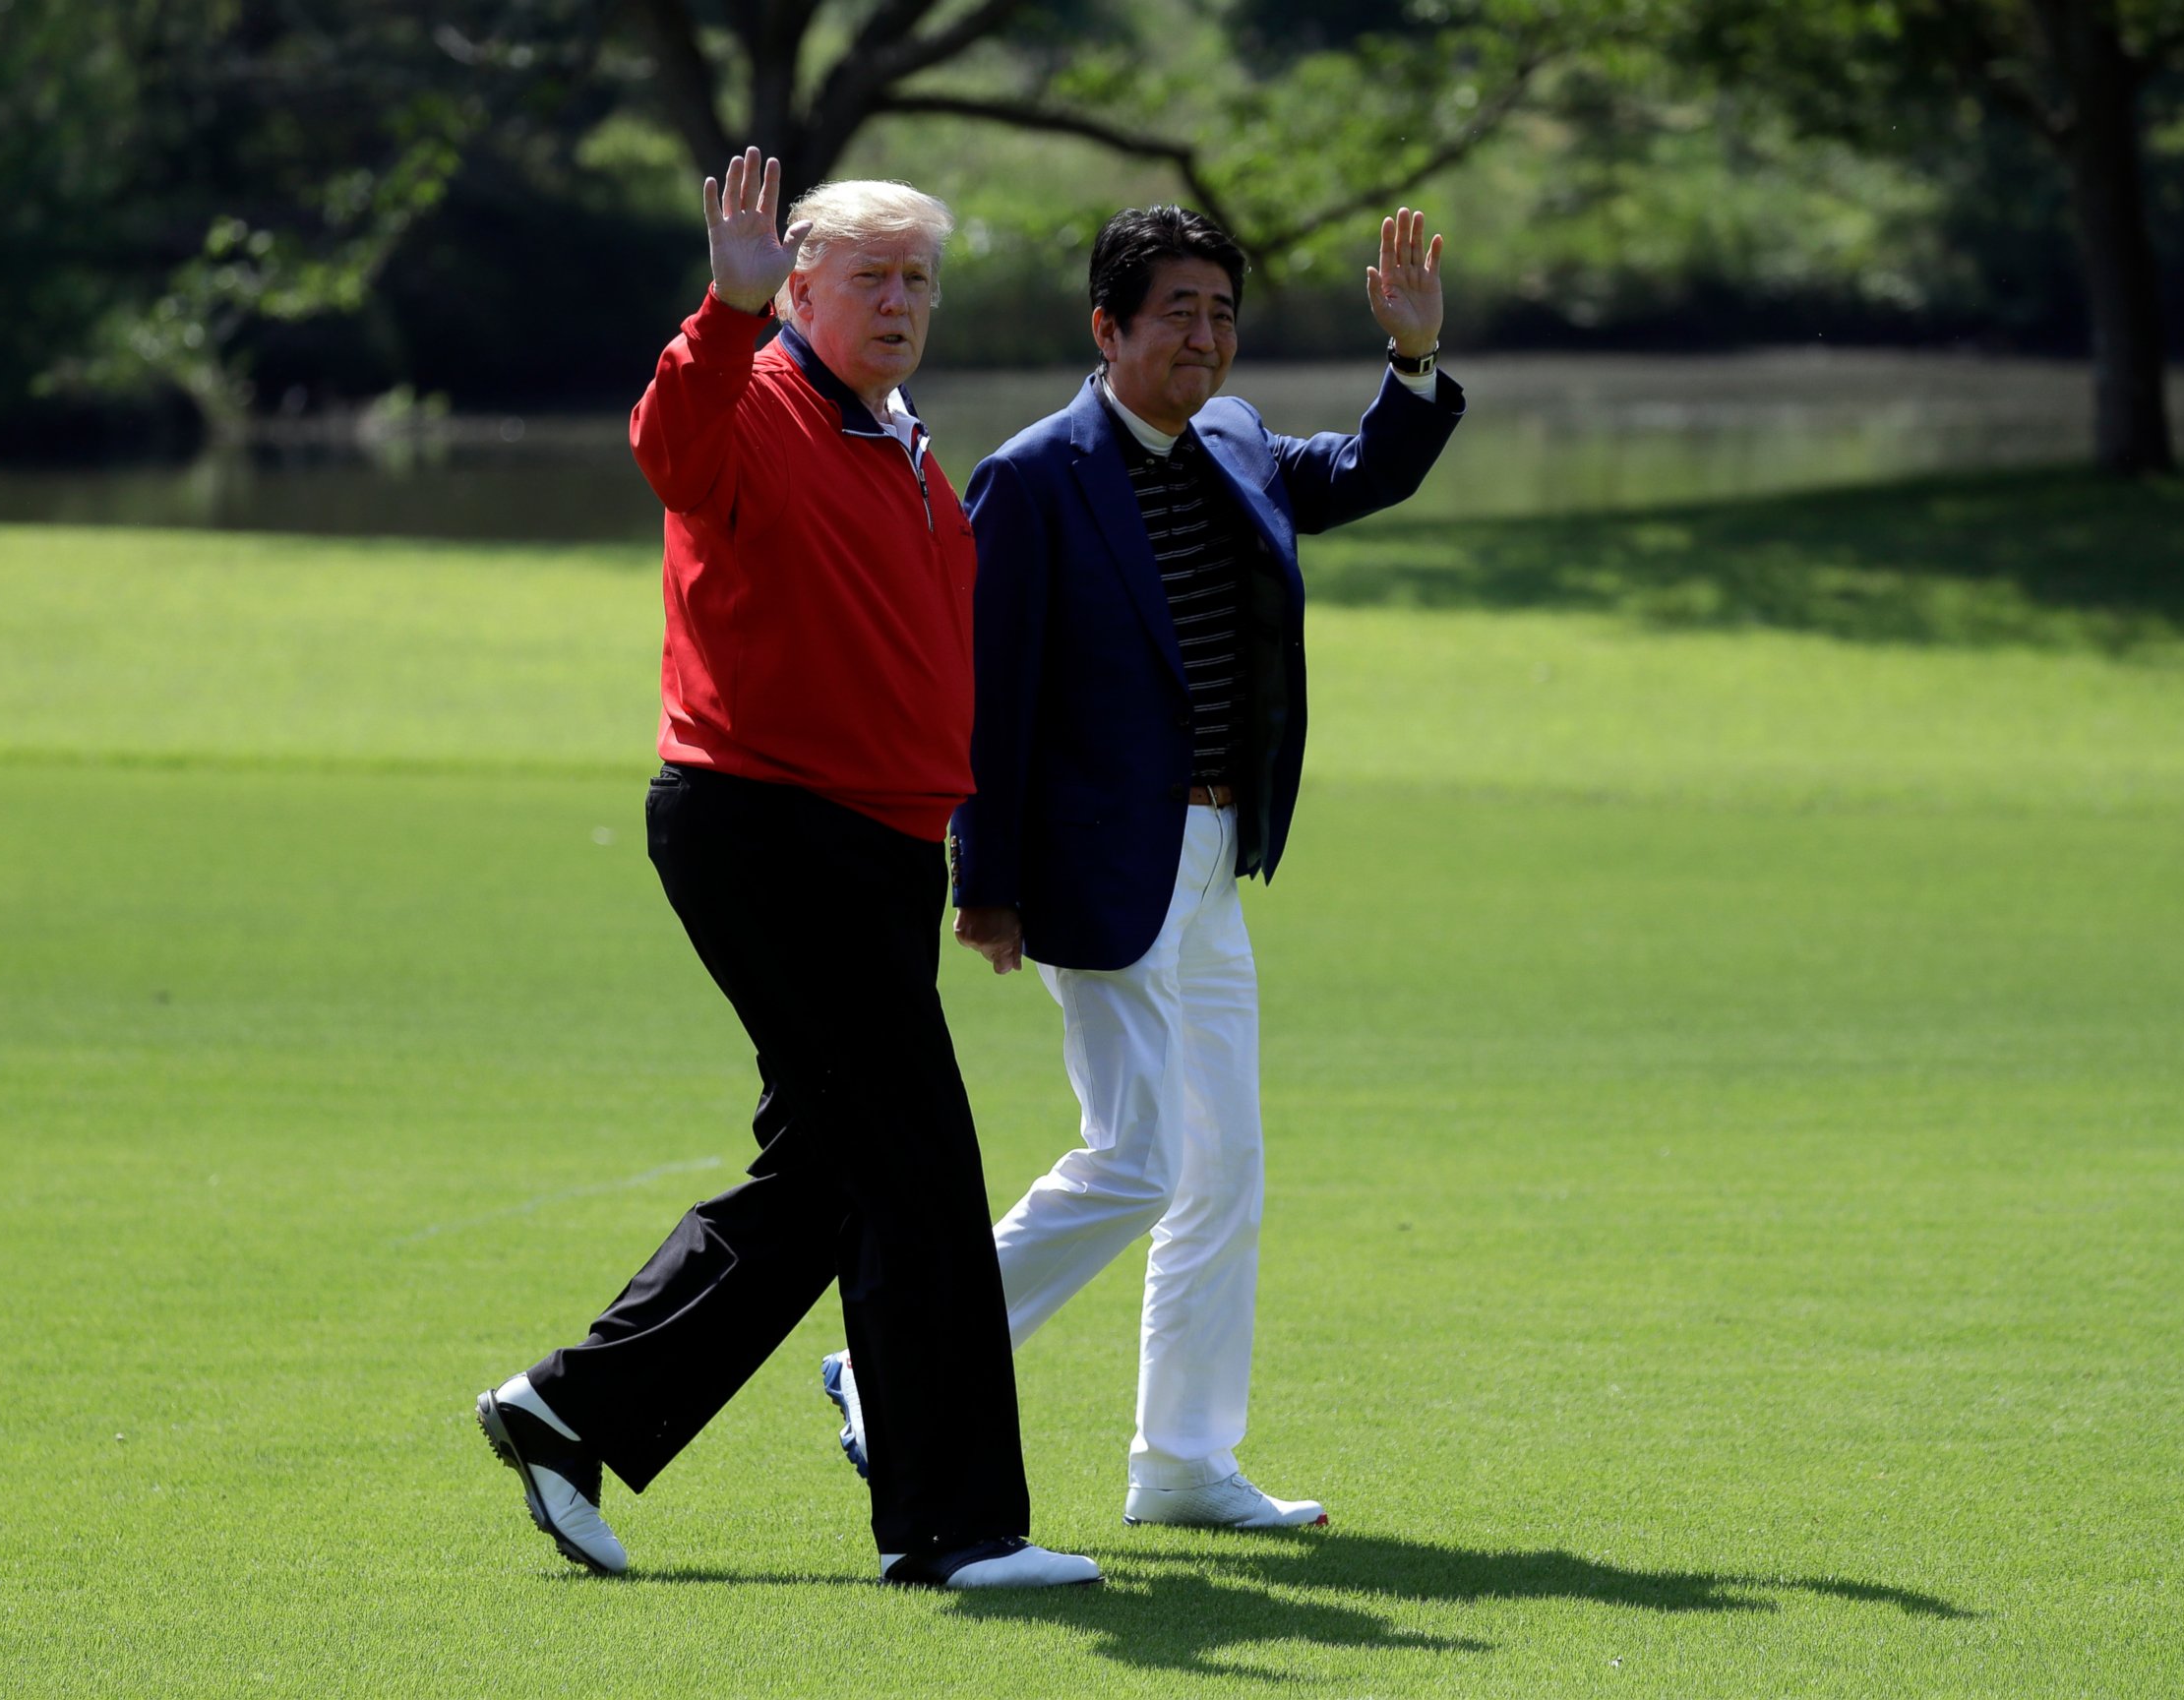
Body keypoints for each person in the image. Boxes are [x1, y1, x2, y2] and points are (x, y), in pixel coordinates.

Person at [474, 147, 1097, 1590]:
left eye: (919, 278)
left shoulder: (899, 435)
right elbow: (667, 445)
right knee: (922, 1166)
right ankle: (955, 1531)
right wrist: (724, 312)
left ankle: (575, 1406)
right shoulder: (750, 396)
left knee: (835, 1173)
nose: (899, 300)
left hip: (877, 845)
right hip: (768, 825)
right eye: (870, 275)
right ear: (800, 283)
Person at [822, 204, 1463, 1531]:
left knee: (1224, 1169)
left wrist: (1408, 363)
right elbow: (987, 702)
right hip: (1092, 867)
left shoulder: (1229, 442)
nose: (1207, 339)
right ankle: (884, 1367)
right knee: (1141, 1156)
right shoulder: (1034, 474)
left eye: (1223, 315)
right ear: (1107, 328)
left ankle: (1182, 1462)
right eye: (1179, 312)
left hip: (1216, 854)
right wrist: (982, 878)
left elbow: (1361, 472)